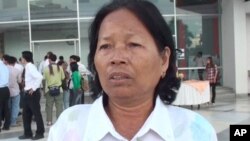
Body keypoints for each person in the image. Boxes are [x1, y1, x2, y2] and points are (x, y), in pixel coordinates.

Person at [48, 0, 217, 141]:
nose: (117, 58)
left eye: (134, 44)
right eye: (106, 46)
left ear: (164, 60)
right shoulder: (69, 126)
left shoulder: (195, 131)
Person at [18, 51, 45, 140]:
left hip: (32, 94)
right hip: (27, 94)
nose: (21, 59)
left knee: (36, 114)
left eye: (21, 57)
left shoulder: (30, 66)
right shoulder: (27, 67)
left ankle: (40, 133)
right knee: (26, 115)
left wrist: (33, 88)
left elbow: (39, 77)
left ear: (25, 58)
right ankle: (27, 133)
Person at [6, 56, 22, 127]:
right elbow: (19, 81)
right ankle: (13, 122)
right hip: (15, 90)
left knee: (8, 107)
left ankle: (7, 121)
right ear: (15, 62)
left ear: (7, 61)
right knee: (15, 106)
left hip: (6, 90)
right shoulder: (17, 70)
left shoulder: (4, 69)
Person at [0, 54, 10, 132]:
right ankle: (7, 125)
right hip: (6, 89)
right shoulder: (6, 67)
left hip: (0, 89)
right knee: (6, 108)